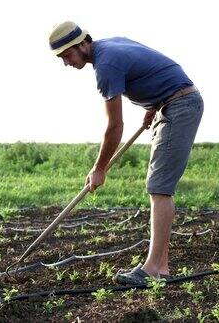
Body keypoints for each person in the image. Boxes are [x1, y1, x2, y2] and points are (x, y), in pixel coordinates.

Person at [48, 21, 204, 285]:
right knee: (159, 186)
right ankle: (161, 266)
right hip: (171, 103)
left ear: (83, 44)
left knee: (159, 187)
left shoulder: (106, 66)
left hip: (179, 105)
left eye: (67, 55)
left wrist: (99, 168)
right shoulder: (110, 47)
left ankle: (153, 268)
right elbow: (152, 69)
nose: (66, 63)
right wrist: (155, 103)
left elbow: (115, 126)